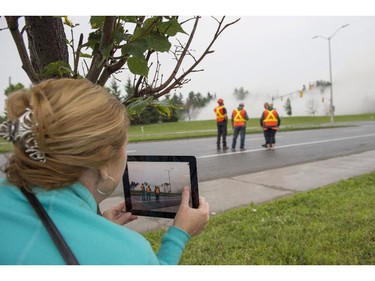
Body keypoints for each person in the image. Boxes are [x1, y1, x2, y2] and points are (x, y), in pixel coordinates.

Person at [0, 78, 209, 265]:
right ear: (104, 161)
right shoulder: (128, 254)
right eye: (125, 145)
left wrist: (96, 226)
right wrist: (179, 234)